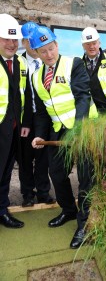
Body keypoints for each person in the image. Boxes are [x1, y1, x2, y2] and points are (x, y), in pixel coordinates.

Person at [29, 26, 92, 248]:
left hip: (82, 128)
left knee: (85, 178)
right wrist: (38, 136)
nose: (49, 54)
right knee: (56, 172)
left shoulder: (73, 63)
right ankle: (69, 211)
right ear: (36, 52)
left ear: (57, 45)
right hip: (57, 131)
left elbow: (82, 97)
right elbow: (42, 111)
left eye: (51, 48)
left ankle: (85, 225)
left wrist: (78, 131)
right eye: (43, 51)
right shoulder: (36, 76)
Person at [0, 14, 32, 228]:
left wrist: (26, 123)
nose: (12, 44)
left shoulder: (21, 64)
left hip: (13, 130)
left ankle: (2, 210)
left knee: (5, 173)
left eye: (15, 40)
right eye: (6, 39)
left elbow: (26, 96)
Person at [19, 22, 55, 207]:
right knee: (26, 159)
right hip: (26, 120)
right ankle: (27, 193)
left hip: (45, 118)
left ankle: (43, 192)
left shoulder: (48, 63)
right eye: (28, 40)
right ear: (24, 42)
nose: (33, 44)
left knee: (43, 158)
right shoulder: (19, 63)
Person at [81, 27, 106, 117]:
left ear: (99, 43)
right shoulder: (78, 64)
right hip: (87, 114)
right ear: (83, 46)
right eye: (88, 44)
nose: (91, 47)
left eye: (94, 43)